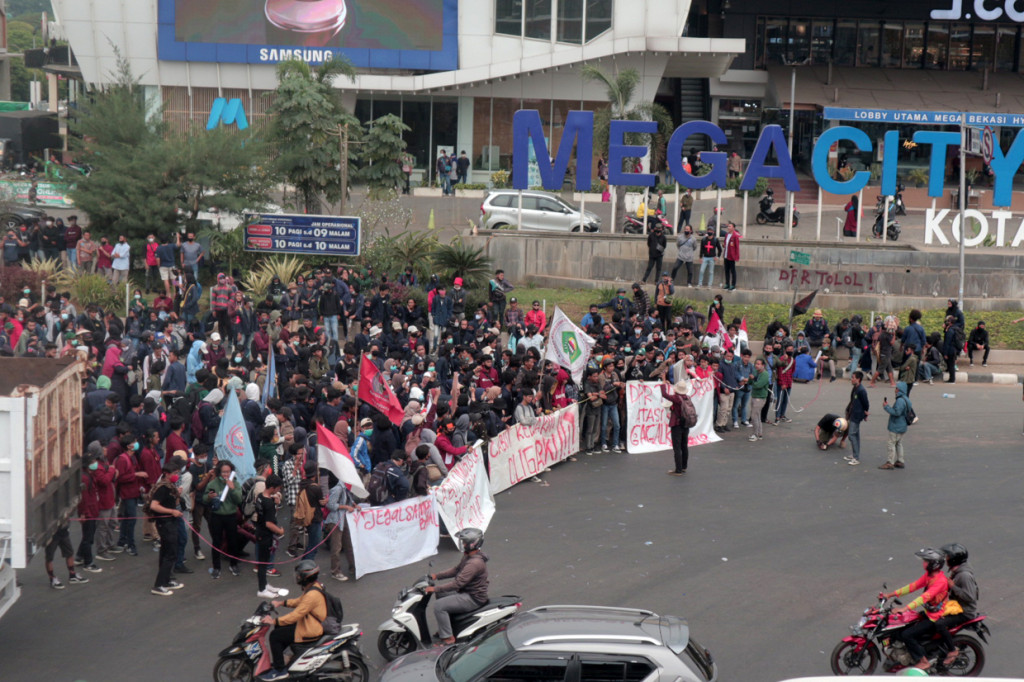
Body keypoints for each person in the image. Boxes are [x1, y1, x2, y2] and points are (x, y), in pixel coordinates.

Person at [881, 548, 950, 670]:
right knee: (902, 626)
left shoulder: (940, 581)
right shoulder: (930, 576)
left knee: (907, 634)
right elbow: (912, 587)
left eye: (926, 561)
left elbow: (923, 598)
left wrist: (904, 608)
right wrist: (889, 595)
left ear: (934, 564)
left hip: (935, 617)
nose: (923, 564)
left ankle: (923, 661)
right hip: (929, 613)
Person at [260, 561, 327, 682]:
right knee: (280, 630)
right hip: (309, 623)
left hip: (310, 629)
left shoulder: (312, 594)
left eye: (299, 575)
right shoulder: (314, 587)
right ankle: (283, 660)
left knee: (275, 636)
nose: (297, 577)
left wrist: (274, 621)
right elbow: (300, 601)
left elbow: (296, 615)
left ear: (305, 578)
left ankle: (280, 670)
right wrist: (281, 603)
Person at [425, 527, 489, 645]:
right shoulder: (469, 556)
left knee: (439, 606)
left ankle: (448, 638)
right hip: (467, 592)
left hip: (473, 598)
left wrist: (434, 588)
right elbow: (457, 570)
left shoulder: (474, 563)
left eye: (464, 542)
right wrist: (436, 576)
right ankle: (448, 627)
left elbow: (457, 583)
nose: (462, 544)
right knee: (441, 593)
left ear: (472, 544)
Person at [935, 543, 979, 667]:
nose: (946, 559)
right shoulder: (957, 571)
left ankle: (952, 650)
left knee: (940, 624)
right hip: (956, 606)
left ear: (954, 559)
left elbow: (970, 597)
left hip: (965, 612)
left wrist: (952, 586)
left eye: (948, 556)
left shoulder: (964, 575)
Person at [148, 457, 186, 596]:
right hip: (165, 524)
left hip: (171, 522)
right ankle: (159, 585)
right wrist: (172, 512)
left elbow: (172, 503)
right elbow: (154, 506)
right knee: (170, 553)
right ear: (166, 474)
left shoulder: (171, 486)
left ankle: (167, 579)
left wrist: (178, 495)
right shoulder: (162, 487)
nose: (177, 475)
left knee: (166, 552)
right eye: (174, 472)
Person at [255, 474, 288, 599]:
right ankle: (262, 589)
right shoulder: (268, 503)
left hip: (259, 532)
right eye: (278, 488)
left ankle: (264, 584)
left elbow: (268, 516)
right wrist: (280, 531)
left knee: (263, 562)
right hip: (265, 535)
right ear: (273, 488)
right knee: (263, 563)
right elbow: (269, 523)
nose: (279, 490)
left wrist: (275, 505)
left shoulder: (260, 497)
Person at [661, 377, 692, 475]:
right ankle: (683, 466)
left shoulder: (676, 398)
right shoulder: (687, 397)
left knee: (677, 447)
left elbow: (664, 394)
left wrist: (663, 383)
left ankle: (678, 470)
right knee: (684, 446)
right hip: (686, 424)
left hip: (677, 424)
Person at [879, 381, 912, 470]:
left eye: (897, 388)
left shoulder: (900, 400)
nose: (895, 390)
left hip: (896, 426)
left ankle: (890, 462)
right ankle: (900, 461)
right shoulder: (906, 399)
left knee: (891, 443)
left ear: (899, 389)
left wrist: (887, 407)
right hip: (902, 425)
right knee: (899, 443)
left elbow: (897, 412)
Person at [844, 371, 870, 466]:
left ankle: (856, 458)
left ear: (858, 379)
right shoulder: (855, 388)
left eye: (853, 377)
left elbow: (866, 404)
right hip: (852, 414)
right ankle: (855, 454)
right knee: (856, 435)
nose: (851, 379)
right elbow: (852, 401)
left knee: (851, 435)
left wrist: (865, 414)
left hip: (857, 416)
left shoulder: (861, 390)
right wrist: (847, 411)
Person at [748, 357, 770, 442]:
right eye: (755, 364)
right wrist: (751, 378)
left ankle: (755, 434)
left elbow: (758, 385)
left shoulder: (765, 374)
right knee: (757, 416)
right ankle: (759, 433)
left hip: (760, 398)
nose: (756, 366)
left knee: (754, 416)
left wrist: (753, 379)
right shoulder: (755, 372)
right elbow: (750, 383)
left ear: (763, 365)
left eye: (758, 364)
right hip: (754, 396)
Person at [722, 222, 740, 291]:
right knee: (726, 270)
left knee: (733, 271)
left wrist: (736, 256)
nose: (728, 228)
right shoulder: (727, 235)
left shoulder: (735, 236)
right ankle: (727, 284)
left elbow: (737, 247)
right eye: (728, 226)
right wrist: (724, 245)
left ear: (733, 228)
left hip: (731, 256)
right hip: (726, 255)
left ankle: (733, 285)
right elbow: (725, 243)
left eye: (730, 226)